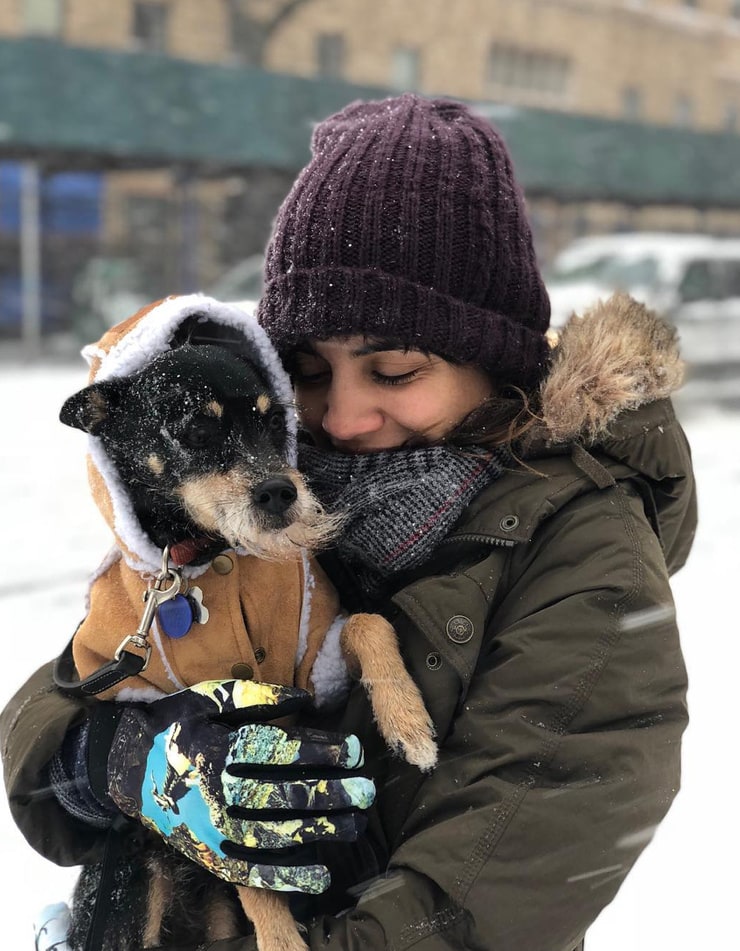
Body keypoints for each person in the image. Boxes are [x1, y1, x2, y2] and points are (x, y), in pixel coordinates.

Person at [1, 94, 694, 951]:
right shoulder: (265, 501)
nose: (342, 419)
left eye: (395, 369)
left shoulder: (588, 557)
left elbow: (476, 904)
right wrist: (110, 754)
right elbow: (66, 698)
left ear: (497, 363)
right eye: (307, 369)